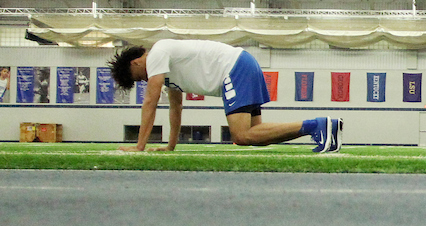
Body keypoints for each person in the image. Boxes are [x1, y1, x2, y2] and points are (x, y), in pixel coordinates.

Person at [108, 39, 342, 153]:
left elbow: (150, 101)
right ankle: (325, 130)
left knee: (240, 135)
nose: (143, 81)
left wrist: (139, 146)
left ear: (136, 61)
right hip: (242, 64)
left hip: (234, 68)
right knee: (255, 136)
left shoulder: (157, 53)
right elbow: (175, 107)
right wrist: (170, 146)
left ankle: (317, 125)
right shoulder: (167, 69)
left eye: (138, 77)